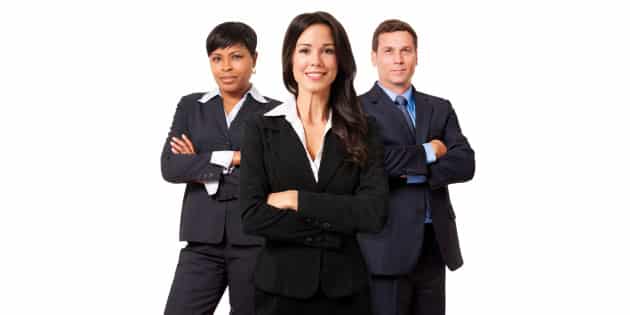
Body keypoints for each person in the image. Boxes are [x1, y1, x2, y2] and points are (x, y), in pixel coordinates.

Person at [239, 11, 388, 315]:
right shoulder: (260, 128)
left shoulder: (365, 129)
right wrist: (336, 225)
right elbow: (252, 216)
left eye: (328, 50)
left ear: (340, 61)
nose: (316, 61)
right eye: (305, 50)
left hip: (347, 293)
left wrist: (297, 199)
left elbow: (373, 213)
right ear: (290, 60)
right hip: (279, 293)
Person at [357, 19, 476, 315]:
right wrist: (430, 151)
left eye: (406, 50)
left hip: (435, 241)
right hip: (385, 244)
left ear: (417, 55)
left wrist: (409, 172)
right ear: (374, 57)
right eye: (388, 51)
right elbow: (371, 164)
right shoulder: (356, 109)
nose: (398, 59)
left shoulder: (439, 107)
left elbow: (465, 162)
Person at [161, 21, 280, 315]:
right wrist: (235, 158)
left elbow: (274, 175)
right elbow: (171, 166)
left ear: (254, 59)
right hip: (201, 240)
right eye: (217, 58)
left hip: (255, 241)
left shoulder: (276, 112)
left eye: (236, 56)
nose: (226, 67)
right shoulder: (191, 106)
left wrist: (201, 163)